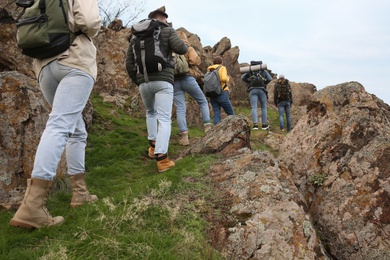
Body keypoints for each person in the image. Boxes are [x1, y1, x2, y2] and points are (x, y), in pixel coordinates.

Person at [10, 0, 101, 229]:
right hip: (74, 60)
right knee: (60, 125)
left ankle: (80, 193)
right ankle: (32, 206)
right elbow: (89, 22)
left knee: (75, 129)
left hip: (44, 66)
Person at [126, 7, 188, 172]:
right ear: (163, 18)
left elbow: (129, 64)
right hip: (163, 81)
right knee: (165, 119)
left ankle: (153, 148)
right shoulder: (167, 30)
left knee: (151, 113)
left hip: (144, 83)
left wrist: (139, 82)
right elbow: (182, 49)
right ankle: (162, 159)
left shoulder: (136, 36)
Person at [173, 31, 211, 146]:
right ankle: (208, 129)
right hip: (188, 78)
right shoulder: (188, 48)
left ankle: (184, 137)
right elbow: (195, 61)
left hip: (175, 81)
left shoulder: (171, 49)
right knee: (202, 101)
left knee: (180, 108)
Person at [241, 61, 272, 130]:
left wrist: (249, 81)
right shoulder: (263, 70)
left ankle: (255, 125)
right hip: (262, 90)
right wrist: (264, 83)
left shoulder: (250, 70)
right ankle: (264, 125)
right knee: (264, 108)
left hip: (252, 90)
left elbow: (242, 78)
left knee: (254, 107)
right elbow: (270, 78)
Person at [207, 56, 234, 124]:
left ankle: (216, 131)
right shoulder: (222, 68)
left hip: (212, 93)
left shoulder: (210, 69)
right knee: (231, 113)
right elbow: (223, 78)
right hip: (221, 92)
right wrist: (228, 78)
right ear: (221, 62)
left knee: (217, 114)